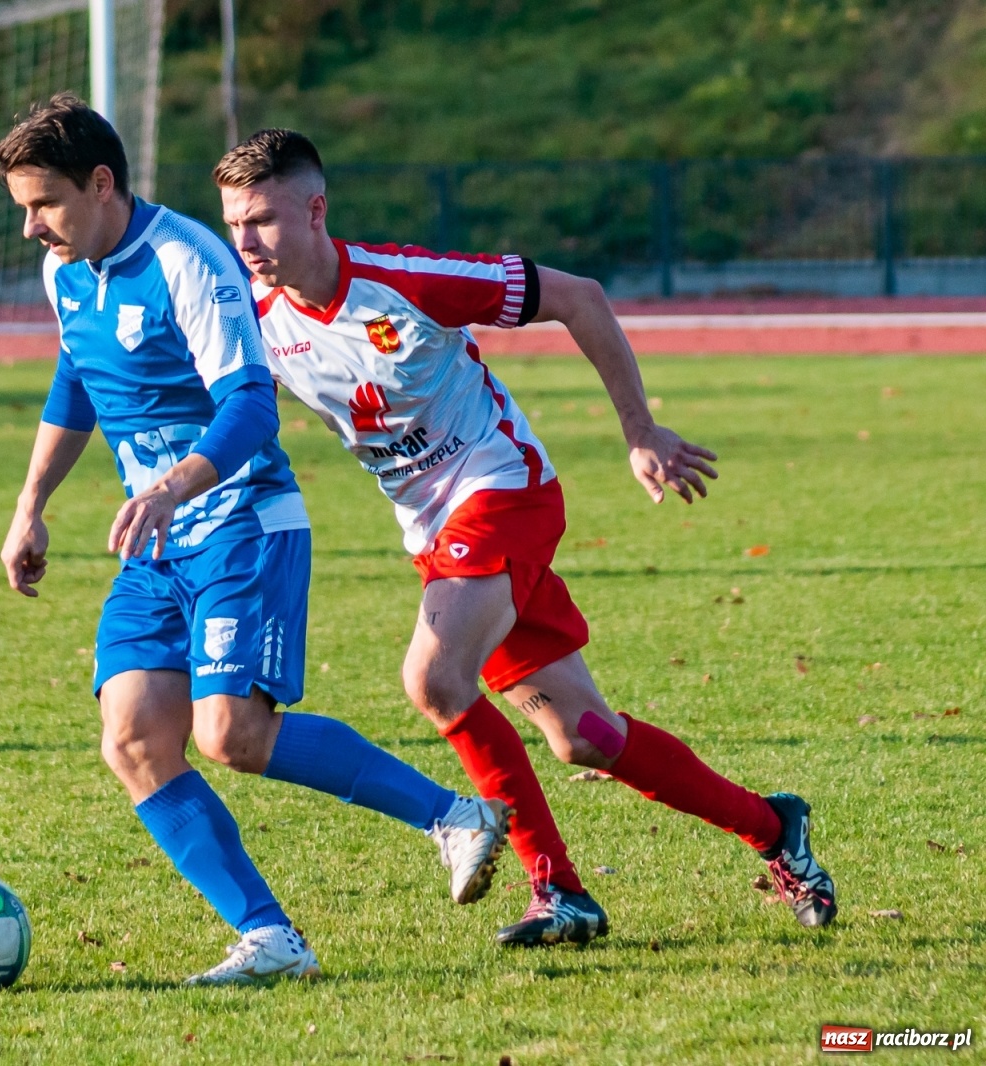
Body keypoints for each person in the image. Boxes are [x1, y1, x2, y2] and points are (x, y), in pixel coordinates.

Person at [213, 128, 838, 945]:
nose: (246, 242)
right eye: (232, 225)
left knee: (434, 680)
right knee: (584, 736)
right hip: (433, 532)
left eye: (261, 219)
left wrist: (640, 430)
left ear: (316, 209)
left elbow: (580, 295)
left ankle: (556, 890)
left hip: (504, 489)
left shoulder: (410, 282)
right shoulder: (256, 321)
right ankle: (773, 826)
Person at [0, 95, 513, 985]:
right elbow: (76, 382)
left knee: (230, 734)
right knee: (133, 741)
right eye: (24, 210)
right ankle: (271, 938)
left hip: (240, 523)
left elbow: (247, 402)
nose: (33, 227)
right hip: (154, 539)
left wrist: (171, 486)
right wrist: (30, 504)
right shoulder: (66, 272)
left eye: (44, 204)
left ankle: (453, 815)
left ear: (101, 183)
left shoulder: (188, 261)